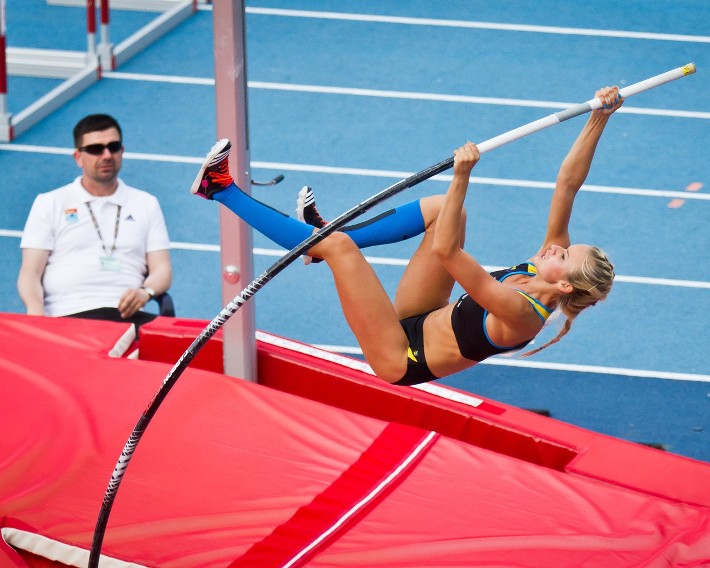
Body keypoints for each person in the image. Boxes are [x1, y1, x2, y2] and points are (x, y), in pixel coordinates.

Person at [190, 87, 621, 385]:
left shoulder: (522, 313)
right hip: (424, 316)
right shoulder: (543, 266)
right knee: (438, 211)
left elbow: (448, 252)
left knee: (341, 249)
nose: (555, 246)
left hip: (401, 356)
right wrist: (598, 118)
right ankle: (319, 241)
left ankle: (219, 188)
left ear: (563, 284)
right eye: (564, 245)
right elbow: (567, 184)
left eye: (563, 255)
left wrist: (462, 178)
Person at [17, 114, 172, 332]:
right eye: (96, 149)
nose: (107, 155)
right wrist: (36, 317)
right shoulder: (49, 203)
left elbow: (162, 269)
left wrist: (144, 292)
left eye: (113, 146)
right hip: (66, 315)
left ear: (122, 151)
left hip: (127, 317)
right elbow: (30, 273)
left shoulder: (146, 203)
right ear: (78, 157)